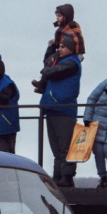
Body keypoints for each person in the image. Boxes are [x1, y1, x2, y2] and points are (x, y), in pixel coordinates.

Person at [37, 36, 82, 187]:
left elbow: (50, 71)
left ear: (70, 48)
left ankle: (67, 177)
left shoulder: (72, 63)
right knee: (56, 147)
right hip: (52, 108)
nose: (60, 49)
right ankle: (58, 177)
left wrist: (46, 69)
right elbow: (48, 63)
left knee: (65, 146)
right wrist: (51, 48)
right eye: (59, 47)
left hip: (64, 109)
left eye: (63, 47)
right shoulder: (62, 60)